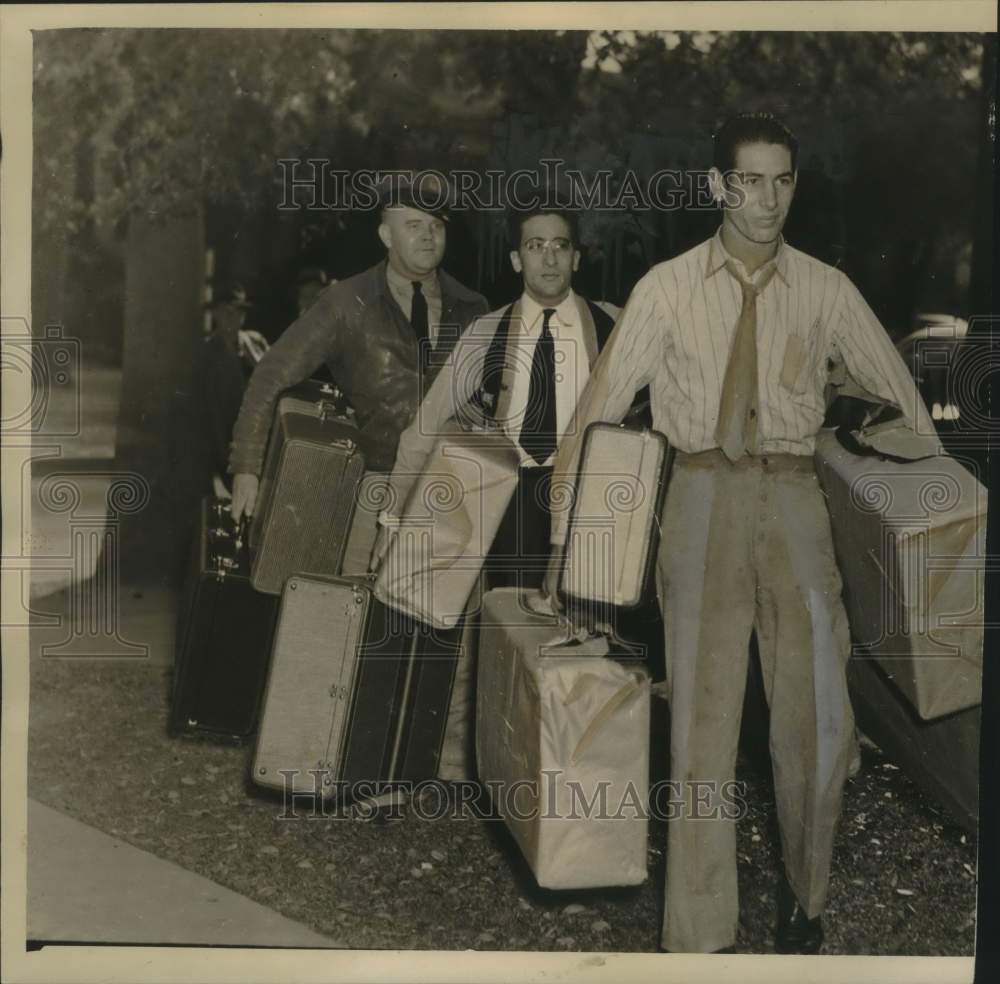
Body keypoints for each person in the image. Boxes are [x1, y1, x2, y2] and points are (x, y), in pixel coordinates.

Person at [543, 113, 938, 955]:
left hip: (796, 509)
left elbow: (909, 410)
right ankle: (700, 937)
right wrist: (564, 547)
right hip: (699, 504)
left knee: (820, 724)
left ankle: (807, 898)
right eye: (750, 181)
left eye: (783, 180)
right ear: (718, 187)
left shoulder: (827, 291)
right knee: (700, 728)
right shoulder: (666, 288)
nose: (768, 200)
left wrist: (853, 437)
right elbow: (596, 414)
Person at [375, 203, 621, 781]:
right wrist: (392, 522)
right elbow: (425, 429)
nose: (550, 256)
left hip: (581, 503)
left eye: (560, 245)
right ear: (516, 259)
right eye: (535, 246)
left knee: (576, 641)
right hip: (506, 499)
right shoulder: (487, 334)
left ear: (577, 256)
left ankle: (566, 778)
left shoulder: (614, 328)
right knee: (497, 637)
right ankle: (486, 767)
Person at [227, 175, 488, 522]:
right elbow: (270, 375)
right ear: (386, 236)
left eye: (436, 226)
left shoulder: (474, 308)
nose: (428, 236)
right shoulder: (346, 303)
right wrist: (247, 467)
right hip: (367, 490)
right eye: (413, 225)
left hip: (450, 493)